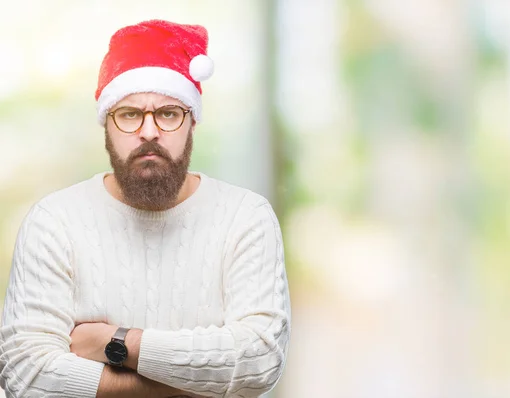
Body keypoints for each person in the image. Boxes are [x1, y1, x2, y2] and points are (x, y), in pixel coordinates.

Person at [0, 19, 291, 398]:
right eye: (130, 114)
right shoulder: (55, 222)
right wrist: (197, 384)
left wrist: (117, 343)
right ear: (108, 124)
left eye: (168, 113)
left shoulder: (245, 217)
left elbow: (259, 361)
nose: (149, 131)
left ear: (192, 123)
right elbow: (25, 375)